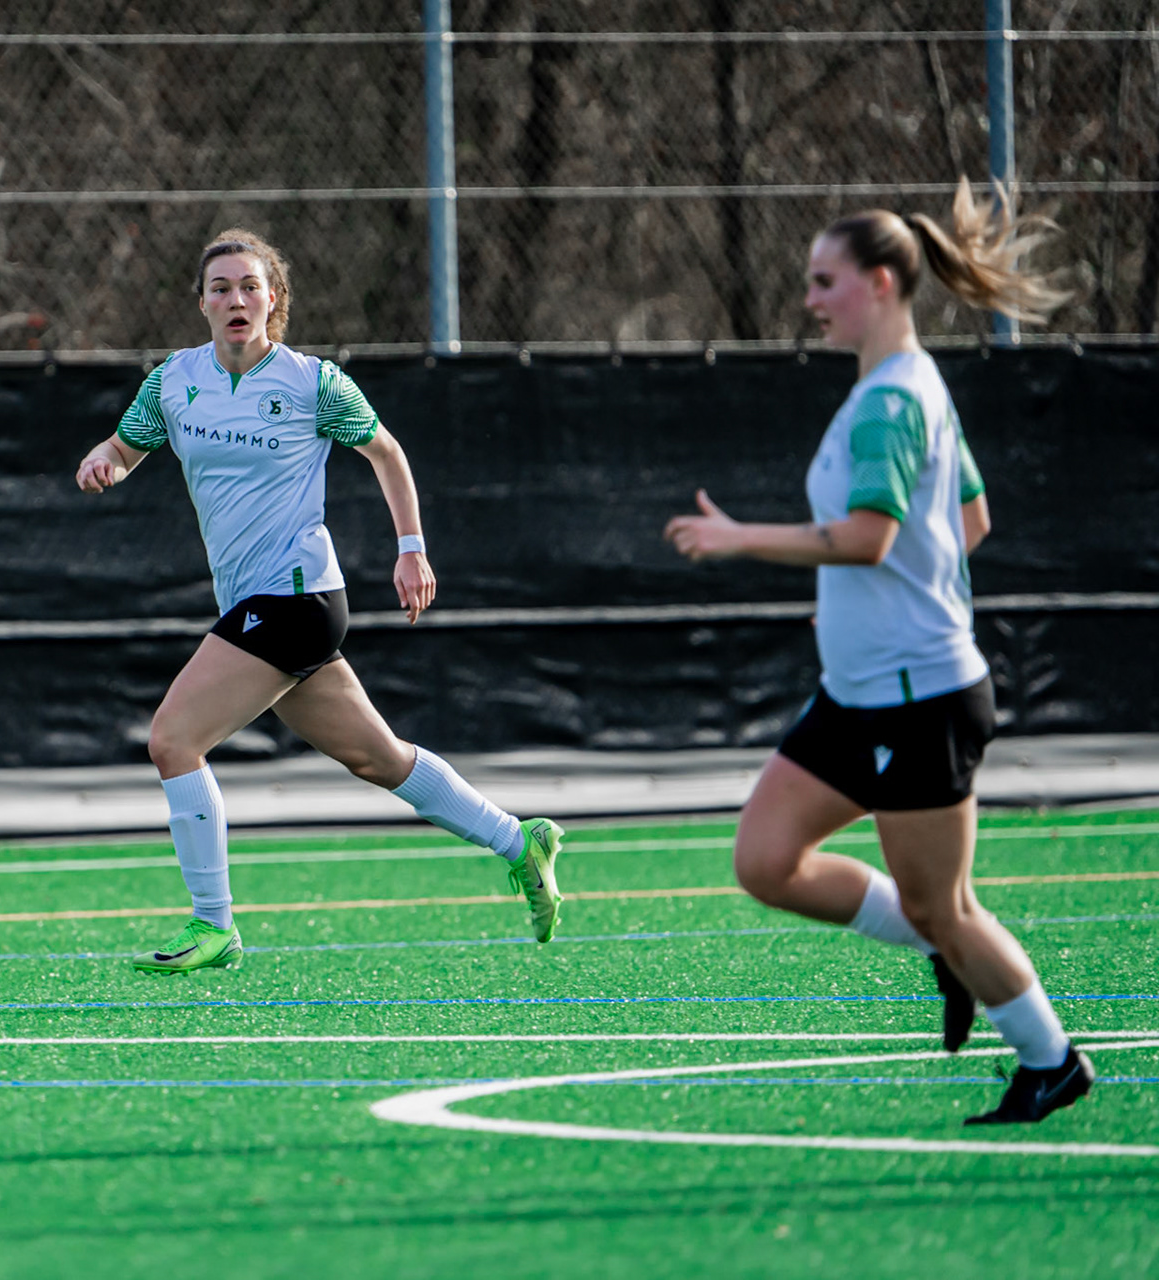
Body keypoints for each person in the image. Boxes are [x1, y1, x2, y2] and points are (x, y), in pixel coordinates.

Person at [663, 181, 1089, 1125]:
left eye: (826, 281)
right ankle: (943, 947)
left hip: (918, 700)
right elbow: (970, 518)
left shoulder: (892, 403)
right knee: (768, 860)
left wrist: (741, 541)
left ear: (883, 283)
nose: (810, 298)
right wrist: (867, 604)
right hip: (862, 691)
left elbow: (868, 539)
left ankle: (1051, 1059)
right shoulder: (901, 386)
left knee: (951, 906)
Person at [75, 228, 565, 974]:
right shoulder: (173, 382)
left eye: (250, 286)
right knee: (381, 759)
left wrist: (411, 549)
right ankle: (517, 841)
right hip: (258, 604)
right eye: (220, 288)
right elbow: (126, 446)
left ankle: (215, 926)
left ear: (274, 300)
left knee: (174, 739)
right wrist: (102, 461)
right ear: (200, 303)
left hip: (299, 596)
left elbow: (387, 453)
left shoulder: (313, 383)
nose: (236, 299)